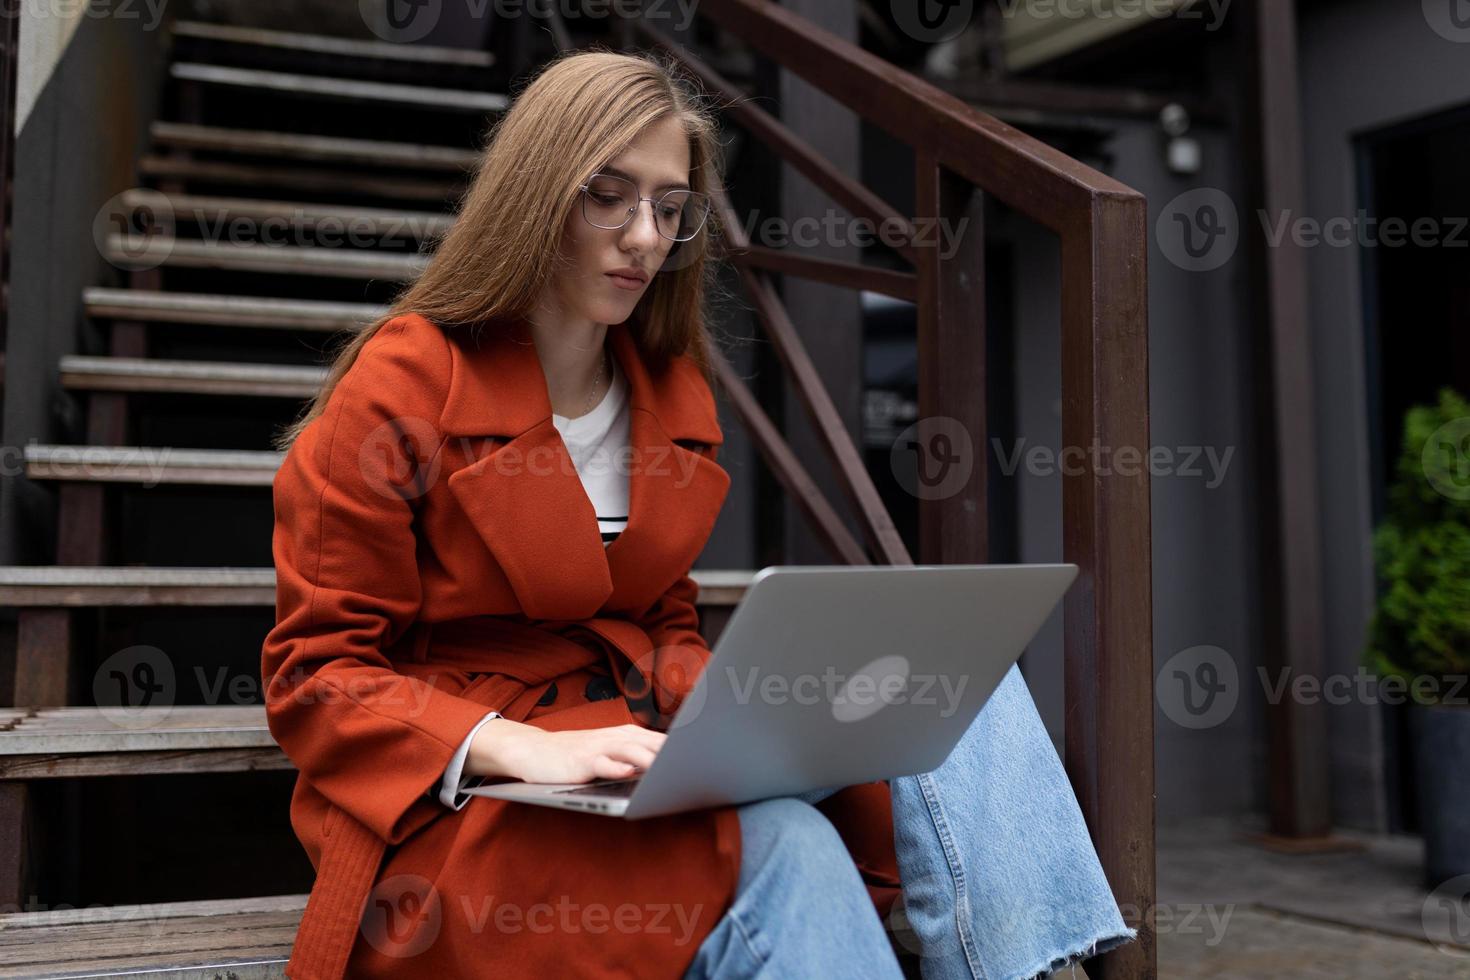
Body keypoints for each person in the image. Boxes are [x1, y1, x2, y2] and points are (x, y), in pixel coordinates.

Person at [262, 49, 1135, 980]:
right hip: (472, 812)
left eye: (669, 207)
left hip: (638, 747)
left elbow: (660, 621)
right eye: (608, 194)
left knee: (964, 691)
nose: (643, 235)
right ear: (533, 191)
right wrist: (513, 748)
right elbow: (315, 674)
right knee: (789, 841)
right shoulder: (403, 382)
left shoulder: (666, 388)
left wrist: (737, 710)